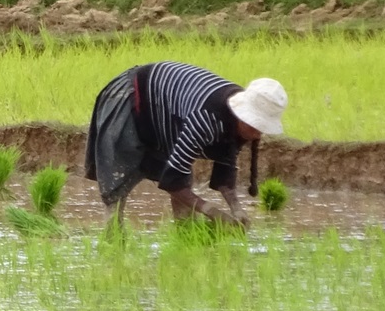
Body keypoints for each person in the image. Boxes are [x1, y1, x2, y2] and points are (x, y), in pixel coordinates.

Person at [85, 60, 286, 224]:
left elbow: (226, 162)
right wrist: (212, 212)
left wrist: (237, 208)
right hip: (135, 97)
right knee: (117, 191)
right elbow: (173, 182)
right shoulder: (205, 119)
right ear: (243, 114)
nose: (257, 134)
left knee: (183, 176)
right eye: (254, 126)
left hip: (169, 110)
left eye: (261, 128)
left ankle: (185, 234)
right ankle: (113, 242)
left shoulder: (240, 124)